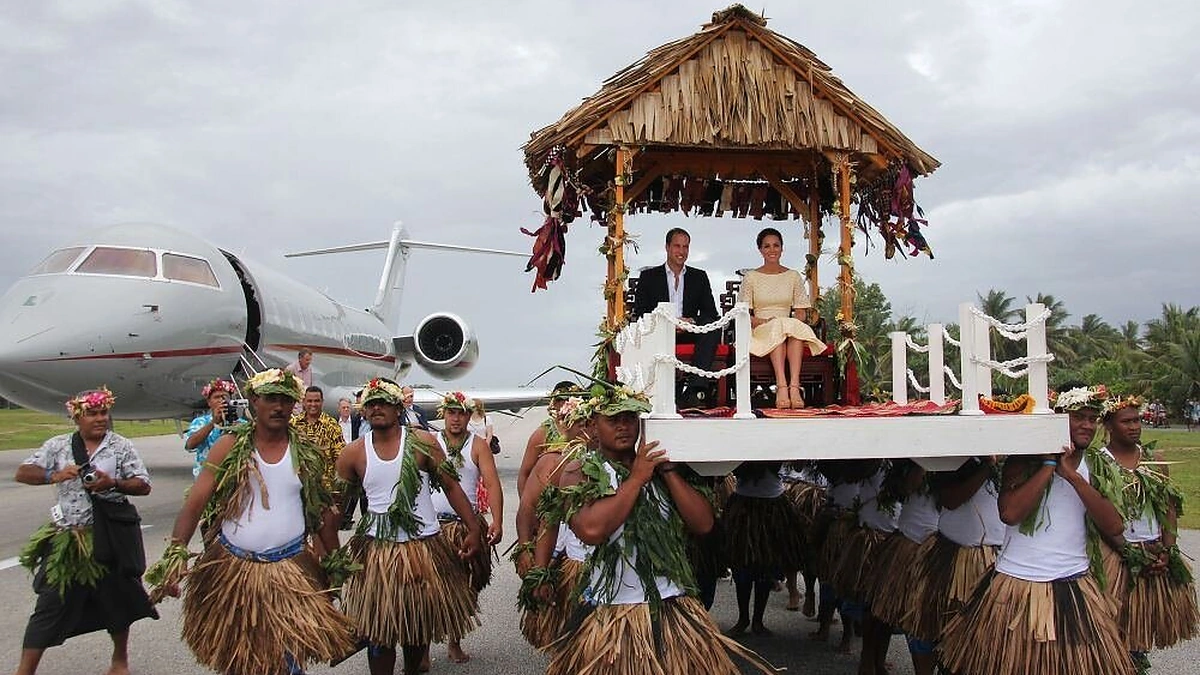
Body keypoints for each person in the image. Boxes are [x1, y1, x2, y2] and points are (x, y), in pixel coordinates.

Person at [544, 381, 774, 674]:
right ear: (593, 422)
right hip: (612, 610)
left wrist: (668, 473)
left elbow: (703, 524)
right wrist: (637, 479)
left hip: (671, 605)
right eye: (613, 418)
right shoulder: (579, 471)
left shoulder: (662, 470)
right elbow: (591, 529)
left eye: (630, 417)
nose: (623, 426)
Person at [146, 368, 356, 675]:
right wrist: (176, 552)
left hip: (291, 573)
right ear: (254, 401)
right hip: (236, 570)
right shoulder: (230, 446)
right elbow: (195, 502)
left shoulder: (304, 452)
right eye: (270, 399)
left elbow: (321, 513)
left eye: (285, 399)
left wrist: (334, 562)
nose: (278, 406)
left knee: (286, 660)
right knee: (242, 661)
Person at [938, 385, 1133, 675]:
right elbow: (1010, 513)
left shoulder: (1098, 466)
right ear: (1057, 417)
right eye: (1078, 416)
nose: (1086, 425)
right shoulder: (1022, 462)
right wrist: (1049, 465)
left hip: (1074, 584)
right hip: (1017, 585)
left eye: (1092, 419)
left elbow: (1115, 525)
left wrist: (1073, 478)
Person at [335, 378, 480, 675]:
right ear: (363, 411)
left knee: (415, 631)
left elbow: (451, 487)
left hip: (423, 549)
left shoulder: (422, 443)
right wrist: (327, 553)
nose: (376, 408)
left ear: (398, 407)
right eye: (371, 404)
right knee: (379, 634)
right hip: (378, 552)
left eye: (383, 403)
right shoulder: (353, 453)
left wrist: (474, 528)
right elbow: (336, 506)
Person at [13, 387, 157, 675]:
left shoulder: (120, 446)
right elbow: (22, 472)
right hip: (69, 538)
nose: (101, 418)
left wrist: (113, 483)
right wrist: (52, 475)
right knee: (50, 604)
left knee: (116, 601)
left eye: (104, 412)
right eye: (93, 413)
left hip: (108, 537)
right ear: (77, 417)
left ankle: (120, 661)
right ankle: (24, 670)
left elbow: (143, 484)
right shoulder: (58, 446)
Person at [1090, 394, 1198, 671]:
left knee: (1141, 620)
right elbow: (1095, 515)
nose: (1134, 426)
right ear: (1109, 426)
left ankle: (1137, 660)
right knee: (1113, 621)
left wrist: (1167, 549)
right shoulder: (1098, 463)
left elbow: (1168, 508)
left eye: (1137, 420)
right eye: (1126, 421)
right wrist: (1125, 550)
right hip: (1114, 552)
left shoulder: (1154, 459)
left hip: (1153, 549)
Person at [429, 391, 505, 664]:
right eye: (451, 413)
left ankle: (454, 642)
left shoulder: (477, 446)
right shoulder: (431, 442)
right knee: (428, 588)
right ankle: (422, 650)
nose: (456, 419)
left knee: (464, 585)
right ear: (444, 414)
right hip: (433, 526)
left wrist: (497, 519)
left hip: (466, 526)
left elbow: (493, 483)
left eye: (461, 413)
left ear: (468, 415)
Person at [738, 227, 827, 409]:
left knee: (791, 329)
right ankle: (781, 387)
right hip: (762, 327)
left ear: (782, 248)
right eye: (767, 246)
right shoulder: (751, 277)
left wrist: (792, 322)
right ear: (760, 250)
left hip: (788, 325)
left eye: (776, 245)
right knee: (778, 328)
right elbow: (745, 315)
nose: (772, 250)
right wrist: (766, 322)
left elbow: (801, 311)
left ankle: (794, 386)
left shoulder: (793, 276)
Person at [632, 227, 722, 406]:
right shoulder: (649, 277)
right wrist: (668, 322)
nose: (681, 251)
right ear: (667, 247)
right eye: (677, 246)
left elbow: (710, 312)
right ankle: (661, 391)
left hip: (690, 329)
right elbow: (641, 312)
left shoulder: (699, 276)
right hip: (660, 331)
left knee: (712, 325)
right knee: (646, 328)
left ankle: (696, 389)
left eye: (685, 247)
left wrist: (690, 321)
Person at [723, 461, 804, 637]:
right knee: (741, 568)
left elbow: (798, 466)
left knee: (767, 567)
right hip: (743, 503)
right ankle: (743, 618)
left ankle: (758, 620)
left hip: (773, 503)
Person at [291, 386, 346, 554]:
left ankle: (327, 572)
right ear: (303, 402)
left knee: (323, 537)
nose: (313, 404)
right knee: (297, 537)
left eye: (316, 401)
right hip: (298, 490)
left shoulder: (331, 426)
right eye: (309, 401)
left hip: (325, 491)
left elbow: (340, 456)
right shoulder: (292, 425)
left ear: (322, 402)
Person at [516, 381, 575, 497]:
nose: (565, 404)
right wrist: (526, 505)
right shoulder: (542, 433)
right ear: (554, 403)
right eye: (561, 400)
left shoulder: (585, 428)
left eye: (570, 399)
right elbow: (524, 473)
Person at [183, 379, 237, 479]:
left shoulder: (240, 423)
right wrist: (213, 423)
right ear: (209, 402)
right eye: (216, 397)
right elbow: (190, 445)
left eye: (225, 397)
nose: (221, 400)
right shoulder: (200, 422)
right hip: (205, 478)